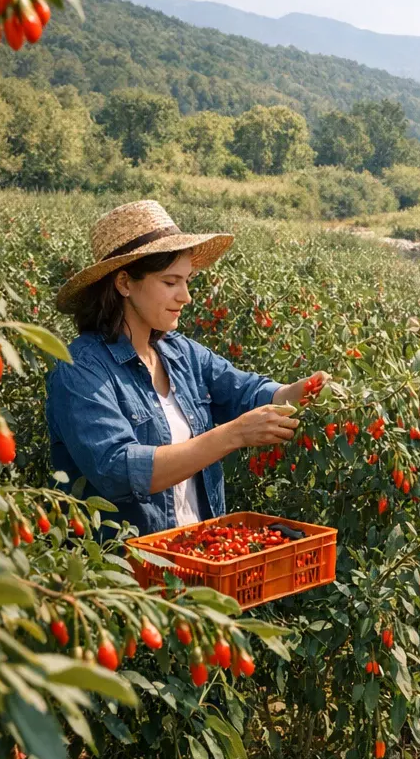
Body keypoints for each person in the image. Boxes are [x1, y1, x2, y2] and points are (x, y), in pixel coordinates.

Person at [46, 200, 328, 536]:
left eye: (188, 280)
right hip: (124, 574)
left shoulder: (181, 354)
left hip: (195, 555)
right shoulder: (81, 370)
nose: (186, 296)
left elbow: (250, 393)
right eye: (170, 282)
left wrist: (303, 390)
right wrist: (233, 434)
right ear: (124, 284)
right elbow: (118, 470)